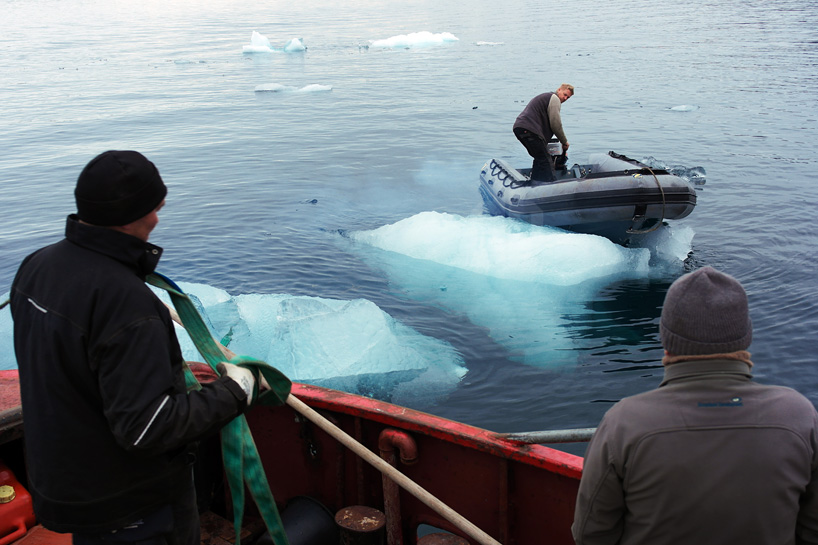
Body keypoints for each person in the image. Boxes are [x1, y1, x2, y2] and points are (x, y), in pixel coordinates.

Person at [10, 150, 262, 545]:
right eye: (154, 207)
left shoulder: (37, 266)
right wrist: (237, 391)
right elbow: (148, 428)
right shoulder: (125, 304)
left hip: (68, 484)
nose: (158, 218)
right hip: (128, 505)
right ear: (132, 216)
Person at [572, 266, 818, 545]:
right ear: (745, 337)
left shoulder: (625, 422)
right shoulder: (799, 415)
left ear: (666, 339)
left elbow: (591, 535)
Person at [513, 83, 574, 183]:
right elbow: (556, 124)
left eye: (568, 97)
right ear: (559, 90)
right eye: (565, 94)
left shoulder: (547, 98)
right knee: (546, 161)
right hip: (529, 130)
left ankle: (535, 184)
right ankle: (552, 186)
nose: (566, 98)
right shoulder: (554, 98)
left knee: (540, 158)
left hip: (520, 128)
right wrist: (564, 142)